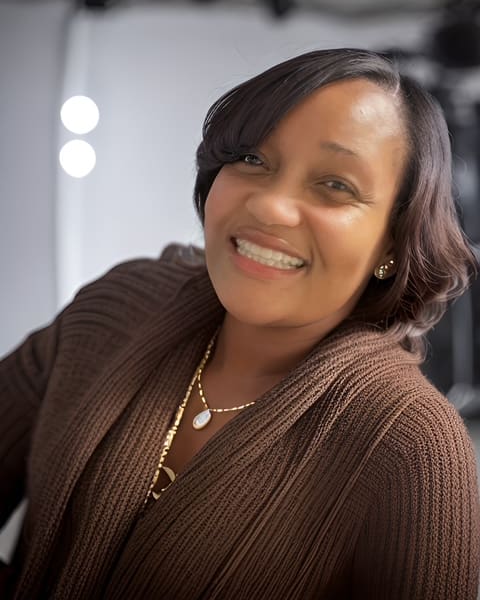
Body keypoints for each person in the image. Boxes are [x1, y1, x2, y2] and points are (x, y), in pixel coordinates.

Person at [1, 48, 479, 600]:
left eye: (335, 185)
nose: (272, 206)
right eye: (252, 159)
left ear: (393, 243)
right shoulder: (115, 311)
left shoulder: (409, 443)